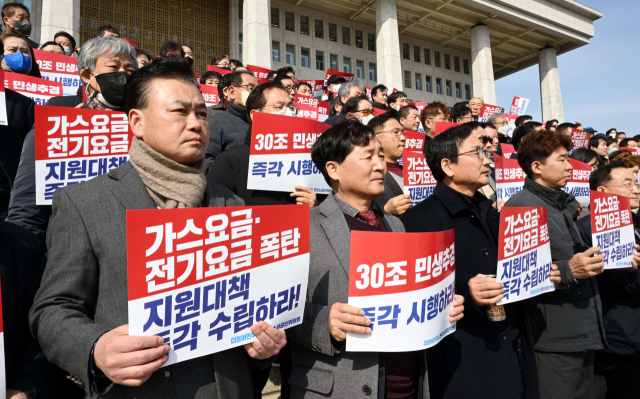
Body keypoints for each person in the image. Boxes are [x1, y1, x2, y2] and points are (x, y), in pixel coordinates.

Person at [29, 56, 285, 398]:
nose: (196, 124)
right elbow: (53, 309)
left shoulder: (232, 205)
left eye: (202, 113)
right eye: (180, 112)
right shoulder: (84, 202)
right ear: (136, 121)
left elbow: (247, 308)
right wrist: (94, 349)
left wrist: (264, 345)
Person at [286, 120, 465, 399]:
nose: (380, 165)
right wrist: (324, 322)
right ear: (333, 169)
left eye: (380, 155)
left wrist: (439, 307)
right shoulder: (302, 229)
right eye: (367, 156)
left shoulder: (396, 225)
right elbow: (275, 312)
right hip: (339, 388)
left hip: (408, 385)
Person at [402, 124, 556, 399]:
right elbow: (410, 295)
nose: (488, 160)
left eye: (487, 151)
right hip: (462, 363)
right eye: (477, 152)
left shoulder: (495, 214)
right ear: (448, 165)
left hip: (513, 348)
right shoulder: (417, 221)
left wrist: (540, 271)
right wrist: (465, 292)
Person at [504, 129, 614, 399]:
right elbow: (519, 276)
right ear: (537, 167)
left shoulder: (562, 204)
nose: (570, 167)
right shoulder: (523, 207)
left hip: (581, 329)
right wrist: (569, 270)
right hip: (554, 339)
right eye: (563, 160)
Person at [7, 36, 137, 241]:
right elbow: (28, 203)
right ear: (87, 74)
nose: (123, 75)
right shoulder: (59, 118)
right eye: (113, 67)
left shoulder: (145, 125)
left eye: (130, 71)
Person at [575, 161, 640, 399]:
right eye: (627, 184)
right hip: (620, 335)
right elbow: (596, 284)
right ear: (602, 192)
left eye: (636, 183)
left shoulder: (635, 222)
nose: (636, 189)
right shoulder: (586, 229)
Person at [208, 82, 317, 207]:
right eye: (279, 107)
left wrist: (314, 204)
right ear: (256, 115)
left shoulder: (305, 159)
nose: (289, 113)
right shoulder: (229, 161)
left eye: (291, 107)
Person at [204, 70, 258, 168]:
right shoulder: (216, 123)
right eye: (250, 88)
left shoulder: (264, 123)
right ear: (232, 92)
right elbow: (206, 163)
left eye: (258, 89)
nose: (256, 93)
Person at [369, 110, 411, 216]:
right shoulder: (369, 173)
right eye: (396, 132)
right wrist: (386, 211)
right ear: (376, 137)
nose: (403, 138)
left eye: (402, 132)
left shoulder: (412, 170)